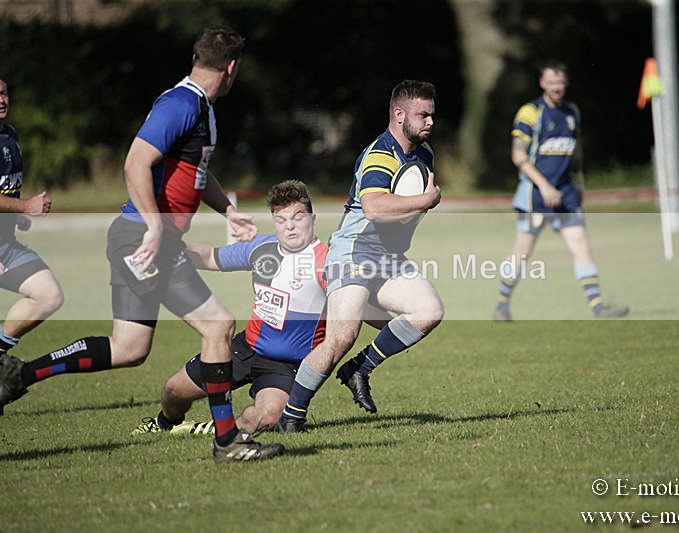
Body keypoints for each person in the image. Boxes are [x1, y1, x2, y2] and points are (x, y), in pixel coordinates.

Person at [0, 26, 284, 462]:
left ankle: (19, 376)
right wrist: (154, 226)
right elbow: (136, 163)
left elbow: (194, 174)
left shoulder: (202, 107)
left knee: (129, 349)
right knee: (219, 325)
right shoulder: (180, 102)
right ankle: (227, 441)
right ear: (231, 68)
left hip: (144, 237)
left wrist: (225, 210)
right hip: (145, 237)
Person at [131, 180, 391, 436]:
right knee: (174, 390)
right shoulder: (261, 248)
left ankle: (216, 431)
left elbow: (361, 308)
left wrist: (397, 329)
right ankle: (164, 423)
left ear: (312, 219)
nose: (289, 226)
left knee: (269, 416)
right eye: (281, 220)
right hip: (244, 348)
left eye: (298, 217)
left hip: (286, 367)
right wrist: (167, 248)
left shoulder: (327, 261)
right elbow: (210, 256)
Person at [275, 80, 444, 433]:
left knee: (429, 311)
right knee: (341, 337)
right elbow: (374, 207)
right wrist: (425, 201)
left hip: (389, 256)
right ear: (399, 115)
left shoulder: (423, 155)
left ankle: (359, 369)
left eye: (432, 114)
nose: (430, 121)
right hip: (354, 250)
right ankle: (290, 417)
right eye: (422, 114)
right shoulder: (381, 153)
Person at [492, 60, 629, 321]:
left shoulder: (572, 112)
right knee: (522, 251)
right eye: (551, 82)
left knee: (581, 245)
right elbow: (518, 156)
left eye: (561, 82)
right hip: (534, 196)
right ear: (542, 83)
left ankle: (599, 307)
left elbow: (575, 153)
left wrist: (578, 185)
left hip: (565, 194)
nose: (557, 87)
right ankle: (502, 304)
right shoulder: (530, 113)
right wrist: (544, 187)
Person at [0, 78, 65, 389]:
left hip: (6, 245)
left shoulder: (9, 134)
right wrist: (25, 204)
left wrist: (18, 215)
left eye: (3, 92)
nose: (1, 100)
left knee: (49, 295)